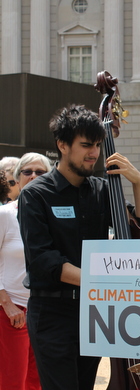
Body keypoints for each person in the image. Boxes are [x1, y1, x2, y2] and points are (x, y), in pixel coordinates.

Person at [18, 104, 140, 390]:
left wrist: (138, 181)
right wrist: (100, 281)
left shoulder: (101, 188)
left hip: (93, 311)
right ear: (62, 145)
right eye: (85, 145)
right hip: (52, 313)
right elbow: (44, 259)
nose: (94, 153)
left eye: (97, 145)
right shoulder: (35, 194)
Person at [0, 152, 52, 390]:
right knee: (13, 382)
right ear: (17, 179)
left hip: (44, 311)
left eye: (40, 172)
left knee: (38, 382)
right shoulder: (5, 215)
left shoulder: (53, 217)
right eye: (27, 172)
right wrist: (7, 304)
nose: (33, 176)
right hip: (11, 312)